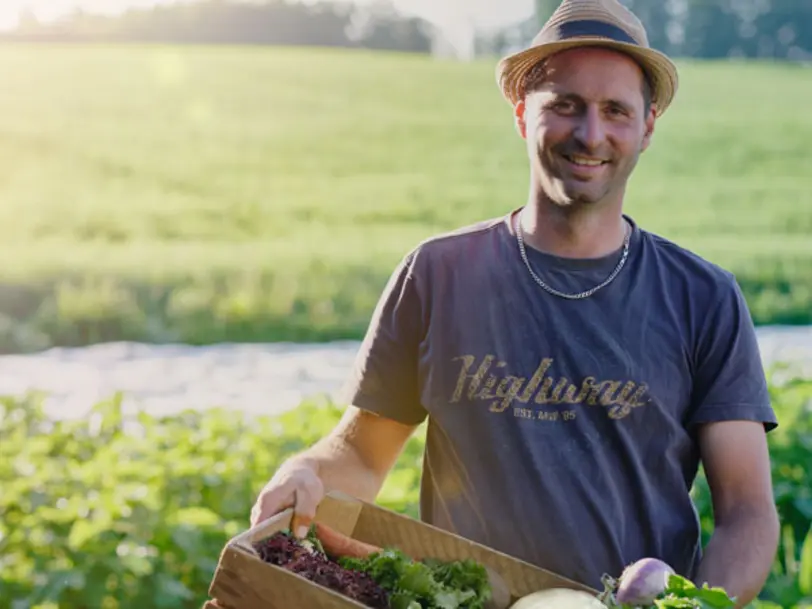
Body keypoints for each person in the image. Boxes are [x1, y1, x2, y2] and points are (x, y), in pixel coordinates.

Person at [250, 0, 780, 605]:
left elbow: (747, 514)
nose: (590, 134)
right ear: (522, 113)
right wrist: (306, 473)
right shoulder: (439, 274)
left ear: (648, 126)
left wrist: (693, 607)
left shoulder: (702, 297)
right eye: (565, 105)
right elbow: (361, 456)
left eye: (615, 111)